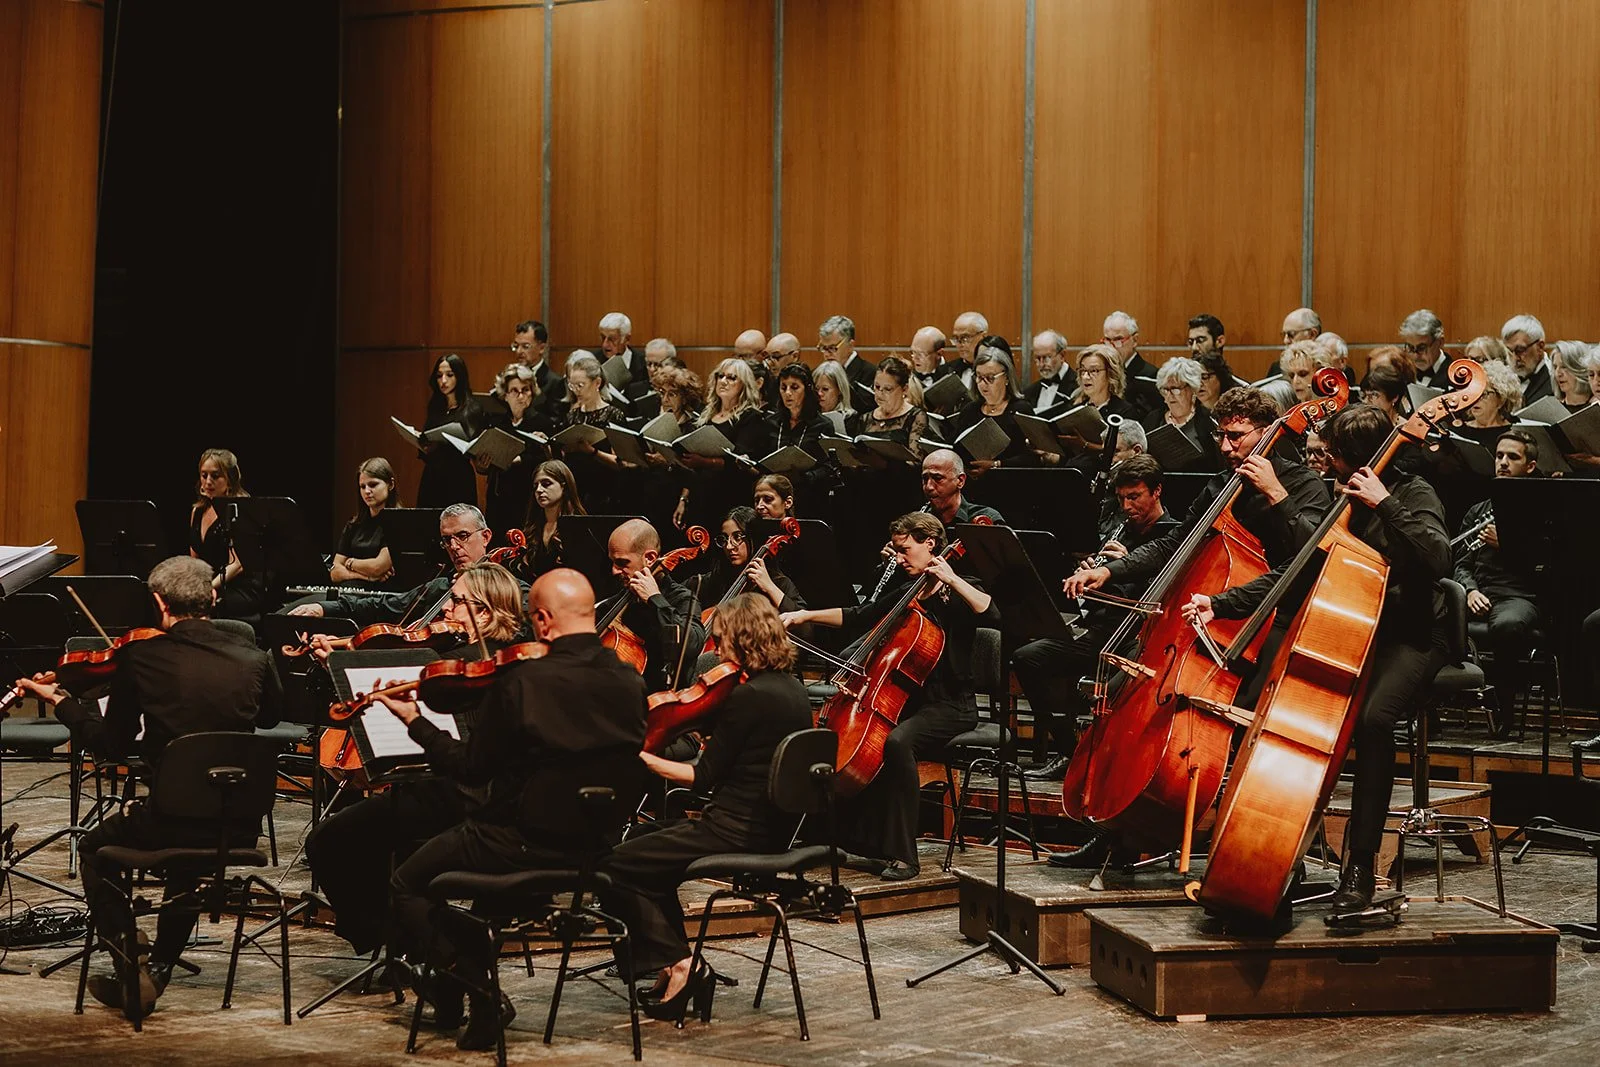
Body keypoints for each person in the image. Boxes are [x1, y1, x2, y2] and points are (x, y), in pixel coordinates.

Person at [1183, 403, 1452, 911]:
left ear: (1364, 458)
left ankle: (1360, 868)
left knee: (1373, 722)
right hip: (1351, 628)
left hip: (1412, 634)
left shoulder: (1413, 493)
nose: (1323, 462)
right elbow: (1300, 570)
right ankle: (1283, 852)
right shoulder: (1342, 497)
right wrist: (1220, 604)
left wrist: (1386, 502)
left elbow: (1438, 559)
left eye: (1336, 455)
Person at [375, 568, 648, 1050]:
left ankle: (474, 990)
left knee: (407, 883)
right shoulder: (628, 678)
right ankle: (455, 988)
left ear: (541, 620)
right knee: (479, 899)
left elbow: (470, 769)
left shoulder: (524, 680)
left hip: (519, 841)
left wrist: (416, 720)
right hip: (595, 846)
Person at [14, 556, 282, 1018]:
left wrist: (63, 704)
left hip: (168, 819)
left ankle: (126, 956)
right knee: (187, 845)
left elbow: (111, 745)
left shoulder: (141, 656)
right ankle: (157, 967)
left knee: (96, 849)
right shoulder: (256, 658)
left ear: (158, 602)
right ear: (213, 599)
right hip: (237, 825)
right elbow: (272, 717)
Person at [600, 594, 812, 1023]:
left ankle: (683, 964)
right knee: (644, 846)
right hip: (771, 828)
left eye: (720, 639)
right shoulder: (792, 688)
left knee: (612, 865)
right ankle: (670, 965)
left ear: (740, 637)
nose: (714, 647)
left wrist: (641, 757)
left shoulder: (748, 697)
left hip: (734, 829)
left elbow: (703, 777)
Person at [304, 561, 526, 958]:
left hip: (450, 795)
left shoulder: (453, 666)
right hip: (494, 802)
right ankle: (408, 936)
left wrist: (339, 668)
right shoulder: (515, 659)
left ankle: (397, 936)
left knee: (327, 840)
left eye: (457, 602)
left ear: (487, 613)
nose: (445, 609)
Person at [781, 512, 999, 880]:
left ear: (930, 544)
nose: (898, 558)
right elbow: (858, 615)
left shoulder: (959, 589)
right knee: (868, 743)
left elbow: (990, 612)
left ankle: (905, 856)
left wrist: (952, 578)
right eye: (897, 551)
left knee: (897, 743)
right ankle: (853, 842)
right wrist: (803, 615)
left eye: (905, 550)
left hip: (952, 705)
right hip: (909, 702)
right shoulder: (909, 591)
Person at [1013, 455, 1181, 776]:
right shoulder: (1121, 530)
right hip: (1103, 632)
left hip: (1142, 640)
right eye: (1121, 498)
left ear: (1157, 491)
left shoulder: (1171, 535)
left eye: (1135, 497)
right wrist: (1089, 579)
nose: (1127, 506)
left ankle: (1107, 761)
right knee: (1029, 658)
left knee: (1117, 691)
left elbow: (1161, 595)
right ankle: (1070, 750)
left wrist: (1125, 564)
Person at [1454, 430, 1541, 736]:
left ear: (1529, 466)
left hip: (1519, 597)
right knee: (1426, 611)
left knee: (1506, 625)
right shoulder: (1478, 511)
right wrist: (1469, 590)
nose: (1503, 462)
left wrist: (1507, 545)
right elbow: (1461, 563)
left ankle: (1504, 709)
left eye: (1513, 457)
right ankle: (1432, 714)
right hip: (1481, 592)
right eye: (1500, 456)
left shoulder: (1541, 508)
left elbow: (1550, 565)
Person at [290, 504, 496, 626]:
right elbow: (381, 606)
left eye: (462, 536)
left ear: (485, 537)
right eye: (447, 540)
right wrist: (323, 608)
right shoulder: (440, 587)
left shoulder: (507, 587)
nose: (454, 546)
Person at [599, 518, 706, 690]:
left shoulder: (680, 597)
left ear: (649, 558)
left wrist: (654, 598)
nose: (613, 570)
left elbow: (692, 643)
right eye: (612, 561)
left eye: (622, 563)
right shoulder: (620, 599)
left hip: (658, 702)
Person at [680, 357, 770, 526]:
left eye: (731, 378)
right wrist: (683, 498)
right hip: (701, 494)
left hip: (729, 494)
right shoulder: (705, 416)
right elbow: (692, 465)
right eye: (720, 376)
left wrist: (704, 461)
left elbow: (739, 461)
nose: (723, 381)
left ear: (744, 384)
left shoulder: (751, 417)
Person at [188, 448, 266, 623]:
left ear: (229, 480)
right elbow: (195, 560)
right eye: (204, 475)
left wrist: (207, 589)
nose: (208, 482)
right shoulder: (197, 511)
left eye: (215, 476)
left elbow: (237, 564)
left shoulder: (240, 511)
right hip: (211, 584)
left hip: (240, 587)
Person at [481, 363, 554, 544]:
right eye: (514, 391)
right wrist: (482, 466)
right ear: (505, 395)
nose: (521, 395)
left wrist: (518, 459)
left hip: (526, 497)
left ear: (532, 392)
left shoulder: (542, 422)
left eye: (525, 390)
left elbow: (546, 460)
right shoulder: (497, 424)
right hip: (499, 498)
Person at [697, 506, 805, 616]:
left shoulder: (779, 583)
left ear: (753, 538)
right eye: (724, 539)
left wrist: (769, 586)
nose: (729, 546)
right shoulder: (710, 582)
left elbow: (805, 629)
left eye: (737, 537)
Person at [947, 342, 1035, 470]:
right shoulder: (970, 410)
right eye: (979, 377)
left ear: (1006, 378)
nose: (983, 384)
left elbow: (1033, 457)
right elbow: (956, 448)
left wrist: (996, 465)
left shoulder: (1021, 410)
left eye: (990, 378)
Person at [417, 353, 486, 510]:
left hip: (457, 477)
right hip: (432, 476)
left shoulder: (472, 408)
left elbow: (475, 448)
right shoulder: (435, 406)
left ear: (459, 376)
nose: (443, 381)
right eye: (439, 376)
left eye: (449, 375)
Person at [329, 457, 400, 588]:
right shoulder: (354, 524)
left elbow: (378, 567)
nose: (367, 491)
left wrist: (350, 563)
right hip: (348, 591)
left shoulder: (399, 522)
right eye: (362, 486)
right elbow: (334, 572)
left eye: (373, 485)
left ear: (390, 484)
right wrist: (365, 576)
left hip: (380, 597)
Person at [1143, 356, 1223, 472]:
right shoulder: (1153, 419)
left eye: (1175, 389)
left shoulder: (1208, 422)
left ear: (1192, 389)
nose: (1170, 396)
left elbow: (1217, 464)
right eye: (1165, 390)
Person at [519, 460, 586, 579]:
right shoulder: (533, 527)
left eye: (546, 484)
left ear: (564, 486)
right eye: (536, 486)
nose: (539, 490)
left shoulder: (578, 526)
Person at [856, 354, 928, 456]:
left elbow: (916, 461)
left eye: (888, 389)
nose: (880, 393)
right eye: (877, 387)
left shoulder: (915, 417)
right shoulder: (865, 418)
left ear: (905, 389)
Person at [1101, 310, 1162, 417]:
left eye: (1118, 339)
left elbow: (1143, 416)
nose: (1111, 346)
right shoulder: (1104, 372)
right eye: (1107, 340)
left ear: (1135, 340)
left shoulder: (1149, 375)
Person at [1456, 360, 1523, 446]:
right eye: (1474, 392)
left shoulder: (1513, 431)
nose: (1476, 399)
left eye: (1483, 394)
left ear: (1501, 400)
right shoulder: (1459, 430)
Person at [1069, 343, 1139, 424]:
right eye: (1083, 370)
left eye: (1093, 370)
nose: (1085, 377)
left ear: (1111, 373)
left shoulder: (1125, 412)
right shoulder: (1074, 410)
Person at [820, 315, 875, 411]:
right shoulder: (818, 374)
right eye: (824, 348)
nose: (826, 354)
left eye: (832, 348)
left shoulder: (870, 373)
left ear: (850, 345)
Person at [1187, 314, 1238, 408]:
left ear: (1220, 341)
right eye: (1190, 342)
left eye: (1200, 340)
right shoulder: (1184, 388)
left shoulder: (1240, 391)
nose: (1194, 348)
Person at [1502, 314, 1553, 406]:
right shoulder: (1503, 378)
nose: (1515, 358)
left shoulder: (1555, 378)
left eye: (1520, 350)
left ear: (1540, 347)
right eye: (1509, 351)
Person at [1025, 329, 1077, 413]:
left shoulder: (1079, 387)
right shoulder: (1029, 392)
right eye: (1037, 358)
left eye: (1047, 358)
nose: (1041, 364)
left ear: (1062, 355)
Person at [1399, 309, 1450, 386]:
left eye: (1422, 348)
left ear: (1440, 342)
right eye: (1411, 347)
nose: (1416, 356)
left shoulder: (1455, 377)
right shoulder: (1402, 374)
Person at [813, 359, 860, 433]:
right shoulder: (810, 414)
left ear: (839, 390)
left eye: (825, 389)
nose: (819, 393)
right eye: (816, 389)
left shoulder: (851, 418)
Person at [1550, 340, 1594, 412]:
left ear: (1579, 368)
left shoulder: (1596, 407)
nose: (1557, 374)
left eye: (1564, 367)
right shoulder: (1552, 410)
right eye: (1555, 367)